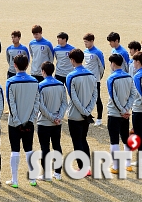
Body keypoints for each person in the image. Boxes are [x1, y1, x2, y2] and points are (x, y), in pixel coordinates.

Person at [5, 54, 40, 188]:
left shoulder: (10, 82)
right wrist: (31, 120)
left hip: (14, 123)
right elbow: (37, 102)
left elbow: (11, 103)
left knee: (15, 150)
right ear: (27, 65)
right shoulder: (34, 81)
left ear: (14, 65)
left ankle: (15, 180)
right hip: (29, 122)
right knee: (29, 149)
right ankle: (32, 178)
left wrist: (18, 121)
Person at [66, 49, 97, 177]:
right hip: (87, 115)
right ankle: (87, 167)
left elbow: (73, 97)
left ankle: (82, 168)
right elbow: (95, 95)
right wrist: (88, 110)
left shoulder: (70, 76)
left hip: (75, 115)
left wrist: (83, 111)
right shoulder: (91, 75)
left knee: (77, 141)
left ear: (72, 60)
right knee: (83, 139)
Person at [37, 61, 68, 181]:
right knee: (57, 146)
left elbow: (40, 105)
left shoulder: (40, 85)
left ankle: (46, 174)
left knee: (45, 148)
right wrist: (58, 117)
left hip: (44, 122)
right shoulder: (61, 85)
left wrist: (51, 117)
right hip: (57, 122)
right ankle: (58, 173)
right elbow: (64, 103)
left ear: (43, 71)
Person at [106, 54, 137, 174]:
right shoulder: (129, 77)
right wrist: (126, 109)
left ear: (113, 63)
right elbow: (133, 94)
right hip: (126, 114)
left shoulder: (111, 78)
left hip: (114, 113)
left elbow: (113, 97)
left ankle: (115, 166)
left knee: (114, 140)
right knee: (125, 138)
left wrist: (121, 110)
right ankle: (128, 164)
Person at [83, 33, 105, 126]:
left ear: (92, 41)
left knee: (97, 98)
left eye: (87, 42)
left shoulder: (98, 52)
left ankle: (99, 118)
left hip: (95, 80)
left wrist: (98, 77)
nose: (85, 44)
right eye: (84, 42)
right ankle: (88, 115)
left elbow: (102, 66)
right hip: (86, 79)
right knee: (86, 98)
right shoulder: (85, 51)